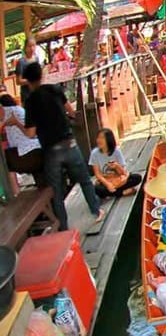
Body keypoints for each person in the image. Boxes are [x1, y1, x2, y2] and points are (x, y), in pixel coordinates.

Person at [21, 63, 104, 229]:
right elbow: (71, 111)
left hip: (51, 151)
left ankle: (63, 227)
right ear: (41, 75)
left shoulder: (30, 101)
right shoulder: (54, 89)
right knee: (84, 180)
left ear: (27, 81)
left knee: (56, 192)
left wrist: (16, 123)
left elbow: (30, 133)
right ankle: (96, 211)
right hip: (69, 143)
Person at [0, 94, 43, 186]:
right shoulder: (20, 109)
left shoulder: (7, 111)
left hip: (24, 149)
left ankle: (15, 192)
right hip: (37, 145)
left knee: (5, 161)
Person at [89, 128, 142, 199]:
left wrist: (117, 166)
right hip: (105, 180)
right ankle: (122, 193)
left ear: (108, 140)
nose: (98, 140)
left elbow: (123, 172)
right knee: (96, 189)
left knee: (137, 177)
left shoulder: (116, 151)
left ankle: (112, 193)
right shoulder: (94, 153)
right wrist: (107, 184)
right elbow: (97, 174)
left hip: (118, 178)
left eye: (101, 138)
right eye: (98, 138)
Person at [15, 36, 39, 104]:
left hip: (37, 92)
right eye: (29, 46)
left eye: (34, 46)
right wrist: (31, 80)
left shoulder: (36, 58)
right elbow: (18, 81)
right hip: (27, 95)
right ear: (25, 48)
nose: (32, 48)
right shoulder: (21, 62)